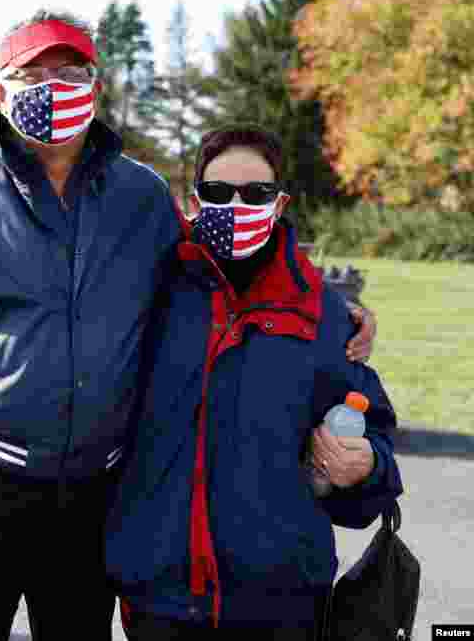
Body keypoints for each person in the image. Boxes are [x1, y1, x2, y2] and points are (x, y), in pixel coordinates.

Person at [0, 12, 377, 640]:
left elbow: (223, 267)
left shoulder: (142, 196)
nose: (51, 87)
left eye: (69, 73)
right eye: (30, 75)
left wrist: (334, 310)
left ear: (95, 88)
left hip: (95, 493)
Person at [104, 125, 404, 639]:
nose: (237, 206)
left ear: (280, 202)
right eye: (218, 193)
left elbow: (370, 431)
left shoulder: (323, 310)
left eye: (256, 194)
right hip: (162, 597)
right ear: (193, 201)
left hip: (283, 604)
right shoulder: (149, 291)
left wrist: (367, 467)